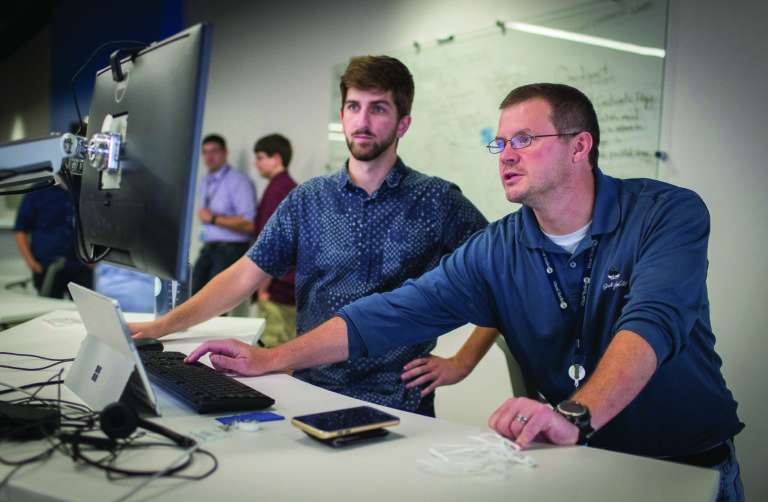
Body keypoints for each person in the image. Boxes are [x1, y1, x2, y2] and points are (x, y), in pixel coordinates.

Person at [185, 83, 744, 501]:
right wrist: (269, 359)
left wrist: (574, 415)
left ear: (580, 147)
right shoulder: (498, 247)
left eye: (524, 139)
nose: (506, 153)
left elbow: (652, 322)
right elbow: (388, 314)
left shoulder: (666, 213)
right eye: (500, 141)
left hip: (683, 467)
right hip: (573, 467)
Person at [130, 55, 497, 416]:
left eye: (379, 109)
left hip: (399, 401)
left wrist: (462, 362)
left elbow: (501, 279)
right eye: (354, 106)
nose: (363, 120)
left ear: (403, 124)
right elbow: (243, 275)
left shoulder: (437, 199)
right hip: (310, 390)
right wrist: (160, 327)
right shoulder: (308, 199)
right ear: (342, 116)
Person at [191, 134, 256, 295]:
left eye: (214, 151)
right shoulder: (204, 181)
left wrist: (213, 219)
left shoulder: (238, 181)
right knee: (191, 297)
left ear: (225, 152)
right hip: (208, 248)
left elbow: (249, 224)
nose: (209, 156)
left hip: (230, 249)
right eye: (205, 152)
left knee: (215, 304)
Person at [250, 133, 298, 348]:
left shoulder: (278, 189)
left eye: (260, 157)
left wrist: (262, 289)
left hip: (278, 289)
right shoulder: (287, 186)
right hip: (284, 286)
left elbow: (272, 244)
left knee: (271, 351)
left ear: (276, 158)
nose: (256, 163)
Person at [13, 181, 93, 298]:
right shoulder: (37, 191)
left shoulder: (86, 189)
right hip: (47, 266)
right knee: (49, 308)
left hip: (80, 265)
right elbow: (20, 229)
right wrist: (31, 262)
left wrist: (94, 259)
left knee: (85, 308)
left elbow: (99, 225)